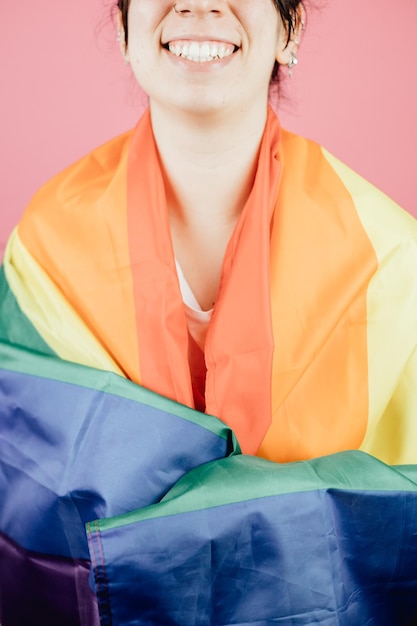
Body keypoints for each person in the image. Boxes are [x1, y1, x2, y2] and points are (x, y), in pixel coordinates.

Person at [1, 0, 417, 624]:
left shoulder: (387, 258)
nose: (199, 4)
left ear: (289, 29)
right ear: (123, 28)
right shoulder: (46, 244)